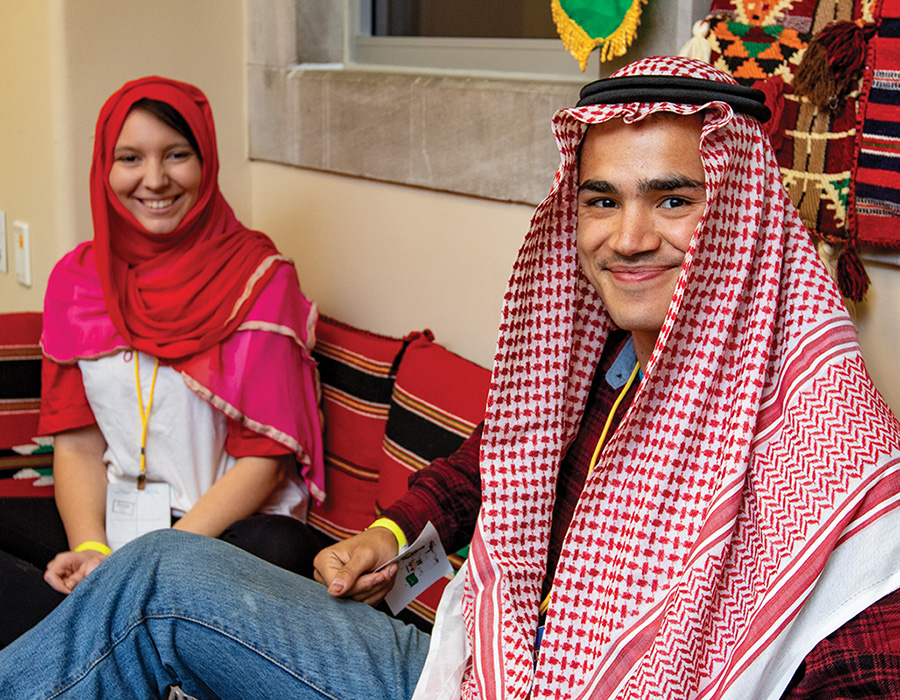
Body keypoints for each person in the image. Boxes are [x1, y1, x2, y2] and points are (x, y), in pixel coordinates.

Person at [2, 55, 900, 699]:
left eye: (674, 198)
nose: (628, 237)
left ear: (741, 213)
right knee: (159, 576)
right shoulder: (596, 360)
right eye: (601, 200)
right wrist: (390, 535)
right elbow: (487, 470)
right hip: (466, 668)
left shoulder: (829, 440)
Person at [0, 77, 325, 648]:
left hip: (223, 531)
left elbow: (266, 462)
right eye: (131, 158)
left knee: (284, 551)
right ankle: (125, 635)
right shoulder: (77, 281)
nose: (154, 179)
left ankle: (98, 639)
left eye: (177, 154)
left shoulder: (259, 278)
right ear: (105, 167)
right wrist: (94, 550)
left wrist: (150, 562)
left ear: (206, 161)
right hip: (117, 516)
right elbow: (77, 444)